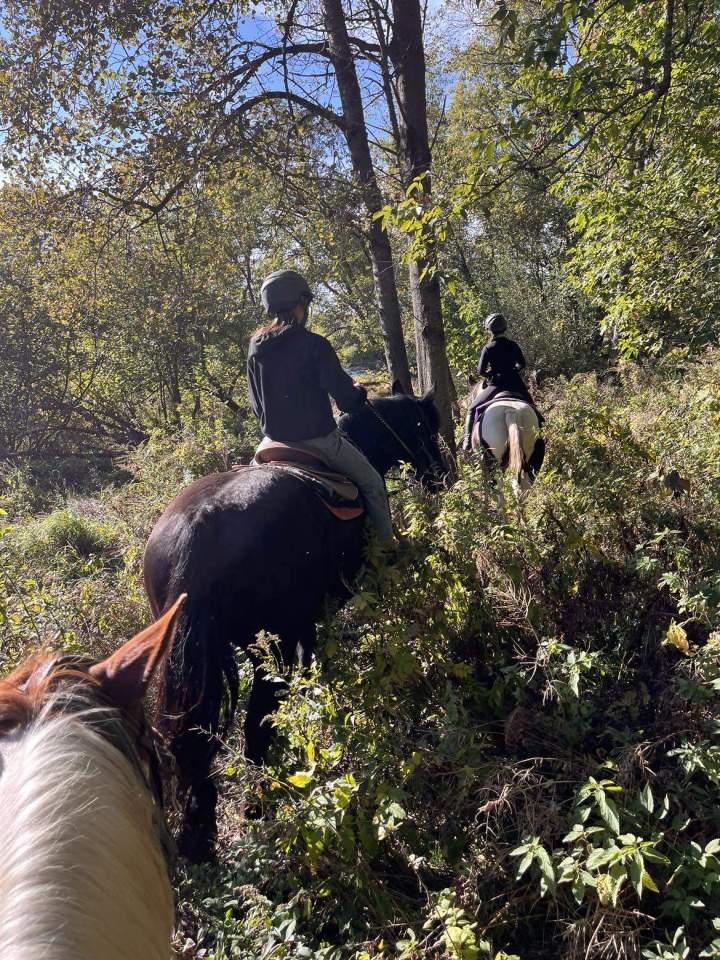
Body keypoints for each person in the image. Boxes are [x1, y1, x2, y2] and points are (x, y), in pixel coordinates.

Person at [247, 269, 396, 545]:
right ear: (300, 302)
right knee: (373, 483)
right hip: (320, 442)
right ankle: (389, 549)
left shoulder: (255, 348)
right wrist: (359, 392)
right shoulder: (314, 345)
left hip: (271, 442)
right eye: (305, 302)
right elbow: (347, 401)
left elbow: (257, 406)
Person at [461, 312, 532, 451]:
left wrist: (490, 375)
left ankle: (467, 441)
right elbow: (522, 364)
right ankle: (542, 431)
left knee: (471, 408)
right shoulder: (513, 345)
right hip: (515, 382)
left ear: (490, 330)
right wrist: (514, 370)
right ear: (504, 328)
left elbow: (480, 371)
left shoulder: (488, 348)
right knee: (532, 405)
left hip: (496, 384)